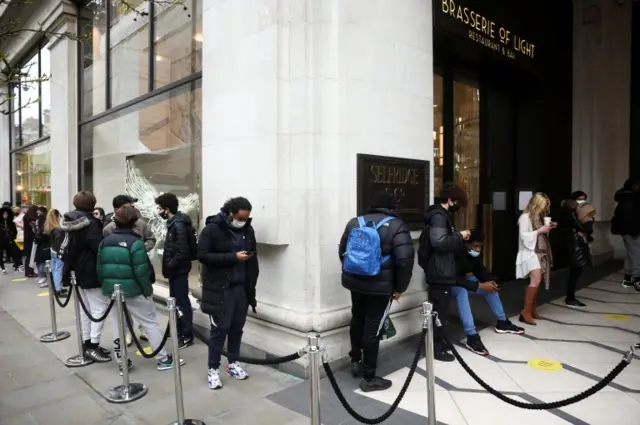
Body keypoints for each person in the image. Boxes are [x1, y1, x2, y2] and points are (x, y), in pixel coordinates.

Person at [338, 191, 414, 392]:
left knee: (357, 318)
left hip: (355, 283)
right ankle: (369, 377)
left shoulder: (355, 222)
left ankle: (355, 360)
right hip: (381, 288)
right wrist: (399, 288)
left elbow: (342, 252)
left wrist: (356, 272)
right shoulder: (397, 226)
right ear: (391, 207)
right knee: (373, 327)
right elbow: (404, 261)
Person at [97, 205, 184, 371]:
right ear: (134, 222)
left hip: (114, 292)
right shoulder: (136, 244)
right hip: (135, 291)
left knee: (118, 326)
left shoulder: (104, 243)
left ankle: (122, 362)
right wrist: (147, 292)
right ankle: (163, 359)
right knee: (150, 323)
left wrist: (107, 287)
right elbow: (141, 272)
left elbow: (99, 269)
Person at [199, 197, 259, 390]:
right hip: (221, 288)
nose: (243, 221)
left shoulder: (248, 230)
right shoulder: (212, 229)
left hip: (242, 287)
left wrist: (252, 280)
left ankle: (233, 363)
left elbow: (253, 257)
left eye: (246, 218)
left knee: (237, 328)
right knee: (219, 330)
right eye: (240, 217)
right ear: (230, 213)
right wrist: (233, 257)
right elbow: (203, 256)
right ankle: (213, 368)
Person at [451, 229, 524, 356]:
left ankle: (502, 322)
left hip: (463, 280)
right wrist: (479, 285)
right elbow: (452, 278)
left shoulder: (474, 254)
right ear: (466, 243)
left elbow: (480, 271)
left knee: (489, 288)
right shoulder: (455, 252)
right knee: (462, 292)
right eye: (475, 246)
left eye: (480, 246)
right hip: (448, 284)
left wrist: (489, 282)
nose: (478, 249)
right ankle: (472, 336)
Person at [420, 182, 469, 362]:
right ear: (450, 200)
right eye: (457, 203)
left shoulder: (440, 215)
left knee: (440, 309)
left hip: (439, 269)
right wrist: (459, 236)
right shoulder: (440, 217)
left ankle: (440, 342)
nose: (458, 207)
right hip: (439, 271)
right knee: (439, 311)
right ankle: (437, 348)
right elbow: (439, 242)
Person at [61, 191, 112, 363]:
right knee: (99, 308)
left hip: (75, 270)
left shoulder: (69, 220)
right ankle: (93, 345)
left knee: (86, 309)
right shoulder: (91, 223)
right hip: (90, 270)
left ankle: (87, 342)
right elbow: (97, 246)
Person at [103, 195, 156, 345]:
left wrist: (140, 250)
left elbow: (151, 239)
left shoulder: (141, 223)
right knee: (123, 305)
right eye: (128, 205)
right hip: (120, 272)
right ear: (118, 209)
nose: (131, 208)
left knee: (145, 304)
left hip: (141, 265)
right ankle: (127, 332)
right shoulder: (109, 227)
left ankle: (143, 329)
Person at [155, 192, 194, 349]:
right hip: (175, 271)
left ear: (167, 209)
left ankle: (187, 334)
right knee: (176, 301)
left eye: (160, 208)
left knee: (182, 302)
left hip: (179, 270)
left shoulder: (178, 225)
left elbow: (182, 251)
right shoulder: (173, 223)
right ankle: (178, 330)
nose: (158, 211)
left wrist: (170, 264)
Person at [516, 192, 555, 325]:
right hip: (529, 252)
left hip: (538, 252)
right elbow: (523, 236)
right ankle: (526, 311)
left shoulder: (538, 217)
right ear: (536, 204)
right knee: (536, 280)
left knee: (537, 281)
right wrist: (540, 231)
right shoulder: (525, 217)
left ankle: (532, 309)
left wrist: (547, 228)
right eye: (543, 205)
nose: (544, 208)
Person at [558, 196, 595, 307]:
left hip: (575, 245)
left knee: (575, 272)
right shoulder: (571, 215)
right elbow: (582, 228)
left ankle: (570, 297)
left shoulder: (570, 214)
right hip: (575, 245)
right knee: (575, 272)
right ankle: (570, 298)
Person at [611, 179, 640, 288]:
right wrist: (634, 230)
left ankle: (627, 278)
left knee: (631, 253)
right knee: (636, 253)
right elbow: (631, 217)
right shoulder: (630, 199)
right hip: (632, 230)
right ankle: (637, 279)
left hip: (628, 230)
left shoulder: (626, 198)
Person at [45, 209, 67, 296]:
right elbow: (59, 242)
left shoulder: (50, 227)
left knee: (55, 269)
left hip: (52, 250)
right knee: (58, 270)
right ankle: (58, 289)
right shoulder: (58, 229)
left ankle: (57, 287)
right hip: (57, 251)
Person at [0, 206, 22, 274]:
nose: (5, 215)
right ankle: (2, 267)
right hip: (1, 240)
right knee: (0, 254)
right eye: (4, 214)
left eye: (6, 214)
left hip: (9, 240)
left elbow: (15, 231)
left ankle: (16, 265)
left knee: (15, 252)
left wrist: (13, 236)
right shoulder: (0, 223)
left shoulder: (11, 223)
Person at [34, 206, 51, 287]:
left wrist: (37, 237)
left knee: (42, 263)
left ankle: (43, 277)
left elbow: (41, 238)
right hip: (46, 247)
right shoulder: (46, 225)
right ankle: (43, 277)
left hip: (43, 248)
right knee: (42, 263)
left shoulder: (42, 228)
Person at [22, 205, 38, 278]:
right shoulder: (31, 220)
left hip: (26, 238)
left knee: (28, 256)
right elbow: (34, 230)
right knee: (31, 255)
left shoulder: (25, 218)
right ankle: (30, 271)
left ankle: (28, 271)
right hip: (31, 239)